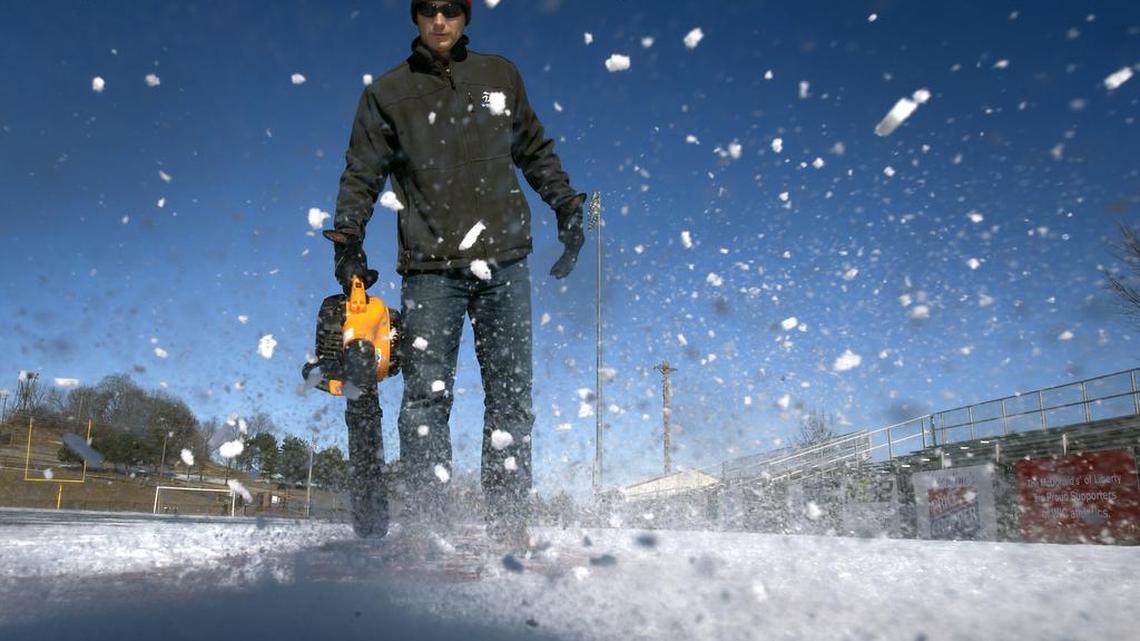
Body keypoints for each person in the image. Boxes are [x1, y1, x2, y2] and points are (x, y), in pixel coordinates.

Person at [326, 0, 586, 546]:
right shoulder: (386, 94)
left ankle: (508, 527)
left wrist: (564, 204)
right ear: (415, 17)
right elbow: (361, 174)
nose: (439, 20)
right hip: (430, 269)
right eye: (427, 9)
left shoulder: (499, 76)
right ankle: (427, 527)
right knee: (425, 397)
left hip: (505, 261)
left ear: (466, 15)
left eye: (450, 9)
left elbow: (534, 149)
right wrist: (347, 241)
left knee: (511, 396)